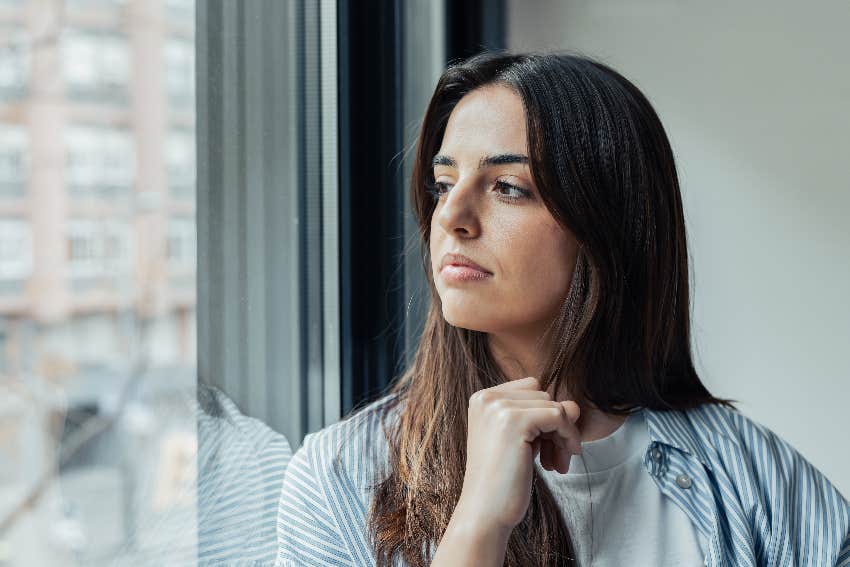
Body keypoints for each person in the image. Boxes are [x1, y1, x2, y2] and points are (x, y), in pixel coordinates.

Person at [275, 50, 850, 567]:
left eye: (507, 187)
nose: (451, 217)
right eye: (443, 183)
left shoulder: (748, 475)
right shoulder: (340, 479)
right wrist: (478, 527)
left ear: (606, 223)